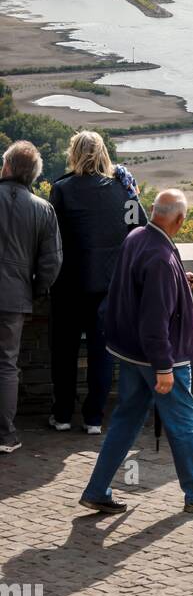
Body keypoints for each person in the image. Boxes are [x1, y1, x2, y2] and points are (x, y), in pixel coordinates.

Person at [80, 189, 193, 514]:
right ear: (179, 219)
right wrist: (164, 368)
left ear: (153, 210)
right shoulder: (161, 259)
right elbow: (154, 320)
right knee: (184, 422)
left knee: (126, 420)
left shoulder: (137, 237)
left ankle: (96, 489)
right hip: (160, 358)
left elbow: (139, 288)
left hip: (129, 352)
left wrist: (180, 279)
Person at [48, 130, 147, 435]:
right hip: (108, 287)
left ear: (73, 153)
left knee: (63, 353)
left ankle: (63, 415)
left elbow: (53, 239)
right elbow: (140, 228)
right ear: (103, 153)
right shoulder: (122, 190)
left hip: (68, 286)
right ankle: (93, 418)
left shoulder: (62, 189)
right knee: (101, 355)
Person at [0, 141, 63, 454]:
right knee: (6, 364)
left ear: (8, 167)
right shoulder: (43, 209)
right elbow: (52, 262)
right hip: (15, 298)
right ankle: (4, 434)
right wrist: (35, 291)